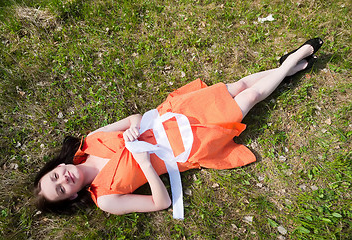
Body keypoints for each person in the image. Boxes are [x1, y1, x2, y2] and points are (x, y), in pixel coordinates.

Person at [34, 38, 323, 217]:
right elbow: (160, 203)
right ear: (70, 197)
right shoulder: (106, 199)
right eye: (60, 189)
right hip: (186, 144)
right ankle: (292, 61)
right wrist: (146, 165)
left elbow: (135, 118)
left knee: (239, 86)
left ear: (57, 166)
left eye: (55, 175)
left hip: (171, 116)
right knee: (250, 97)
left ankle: (289, 68)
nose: (64, 179)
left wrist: (134, 129)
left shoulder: (92, 141)